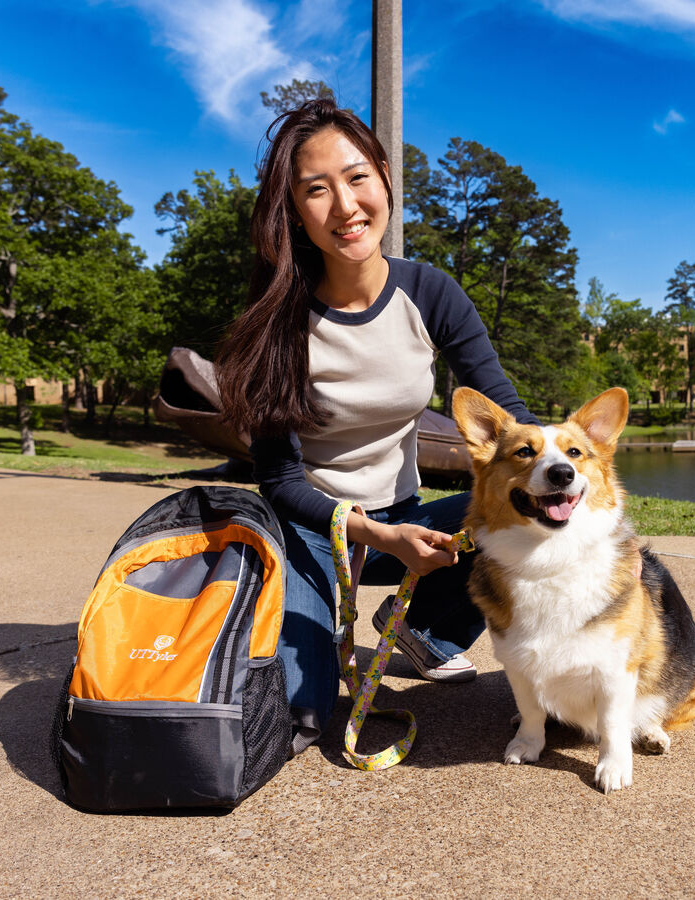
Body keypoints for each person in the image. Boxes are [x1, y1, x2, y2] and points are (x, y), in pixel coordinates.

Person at [216, 99, 538, 754]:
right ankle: (286, 619)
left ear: (385, 177)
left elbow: (505, 410)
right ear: (295, 210)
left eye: (357, 177)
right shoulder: (281, 318)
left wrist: (559, 470)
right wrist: (373, 534)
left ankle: (428, 633)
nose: (345, 206)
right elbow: (277, 478)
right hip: (313, 529)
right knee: (305, 714)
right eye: (316, 189)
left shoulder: (430, 292)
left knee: (525, 512)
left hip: (406, 516)